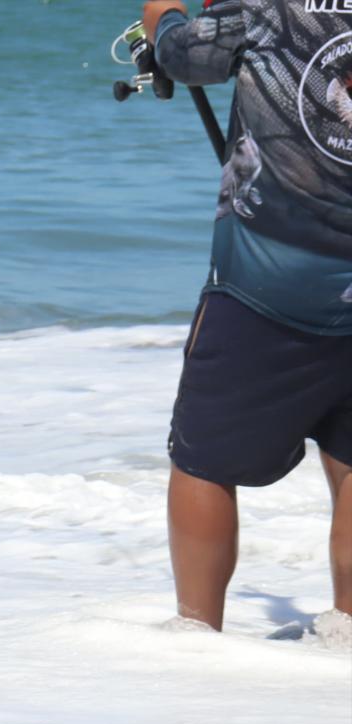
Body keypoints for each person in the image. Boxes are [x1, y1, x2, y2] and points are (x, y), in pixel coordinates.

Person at [142, 0, 352, 645]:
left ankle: (195, 638)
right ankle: (346, 632)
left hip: (270, 279)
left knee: (204, 460)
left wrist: (163, 15)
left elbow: (190, 57)